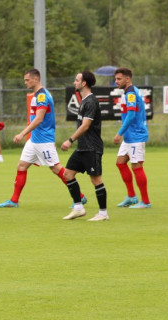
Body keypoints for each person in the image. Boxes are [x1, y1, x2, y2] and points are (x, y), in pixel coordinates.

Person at [0, 68, 79, 208]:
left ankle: (80, 197)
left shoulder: (42, 96)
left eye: (27, 80)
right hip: (34, 140)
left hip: (44, 140)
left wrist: (22, 133)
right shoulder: (37, 95)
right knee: (21, 166)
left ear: (36, 79)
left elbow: (39, 119)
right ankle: (14, 201)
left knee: (56, 169)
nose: (25, 82)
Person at [59, 71, 109, 221]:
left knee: (96, 180)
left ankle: (103, 213)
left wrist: (70, 140)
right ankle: (78, 208)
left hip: (92, 147)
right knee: (67, 174)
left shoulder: (91, 101)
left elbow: (86, 126)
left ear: (84, 83)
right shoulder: (84, 100)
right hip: (82, 147)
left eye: (77, 80)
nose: (74, 82)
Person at [112, 67, 150, 208]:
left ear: (127, 79)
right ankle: (131, 196)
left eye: (119, 79)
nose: (116, 81)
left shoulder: (131, 93)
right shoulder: (129, 92)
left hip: (136, 136)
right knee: (120, 163)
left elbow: (132, 115)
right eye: (116, 79)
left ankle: (145, 201)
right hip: (130, 136)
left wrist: (119, 133)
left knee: (136, 166)